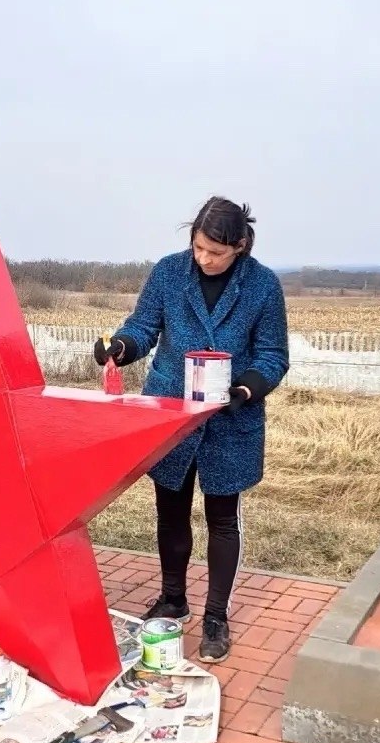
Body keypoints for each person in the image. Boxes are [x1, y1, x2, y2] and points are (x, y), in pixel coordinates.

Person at [94, 196, 290, 663]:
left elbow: (273, 356)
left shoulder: (263, 286)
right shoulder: (168, 272)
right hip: (169, 413)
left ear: (239, 246)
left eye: (216, 252)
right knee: (171, 510)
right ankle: (173, 599)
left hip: (230, 418)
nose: (204, 258)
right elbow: (143, 327)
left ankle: (216, 617)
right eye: (199, 247)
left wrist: (244, 391)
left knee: (222, 518)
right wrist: (121, 345)